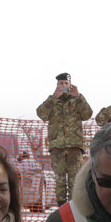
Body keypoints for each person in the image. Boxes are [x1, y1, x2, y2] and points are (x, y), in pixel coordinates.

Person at [36, 72, 92, 205]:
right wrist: (54, 97)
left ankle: (74, 208)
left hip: (74, 147)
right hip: (57, 147)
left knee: (75, 180)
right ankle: (62, 209)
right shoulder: (53, 101)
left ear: (70, 85)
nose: (63, 86)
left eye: (66, 83)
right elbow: (41, 114)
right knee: (60, 181)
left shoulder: (76, 100)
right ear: (57, 85)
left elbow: (87, 114)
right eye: (61, 83)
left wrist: (79, 96)